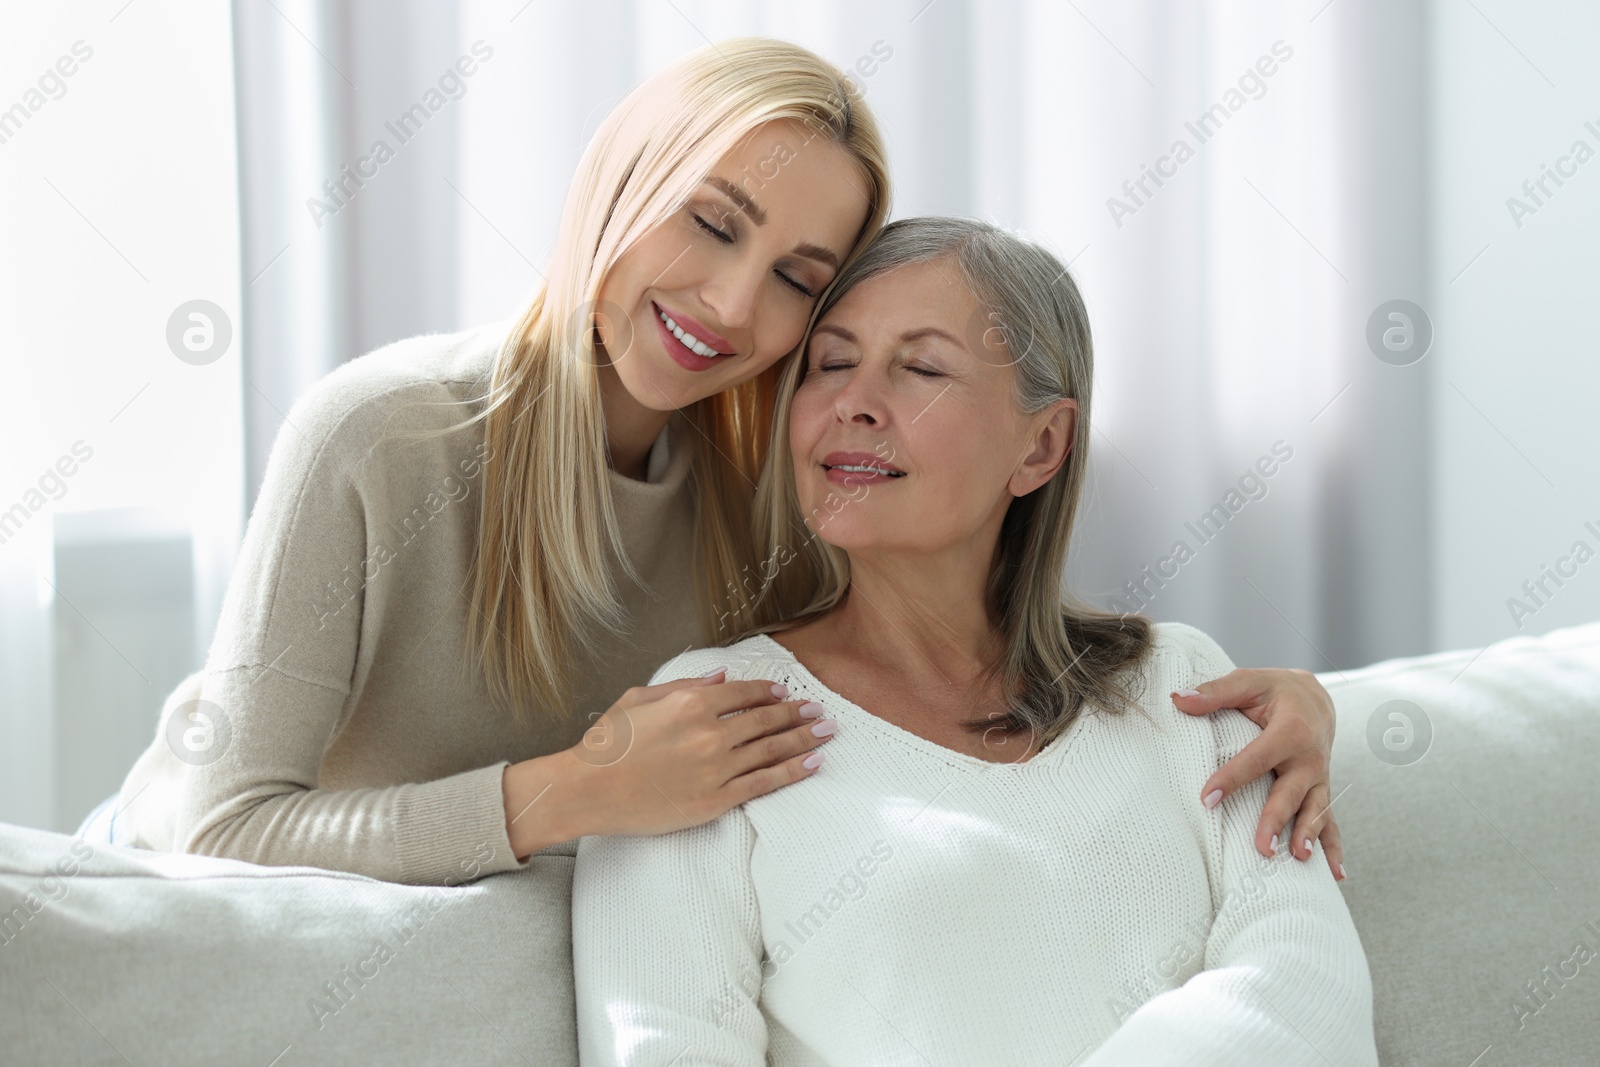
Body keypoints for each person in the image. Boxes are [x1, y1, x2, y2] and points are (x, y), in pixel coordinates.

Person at [111, 38, 1344, 888]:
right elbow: (219, 828)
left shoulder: (761, 490)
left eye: (798, 281)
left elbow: (936, 639)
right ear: (622, 177)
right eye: (711, 222)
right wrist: (574, 790)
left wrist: (1270, 699)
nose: (730, 301)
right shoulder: (379, 435)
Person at [571, 217, 1378, 1065]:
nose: (855, 400)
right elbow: (662, 1042)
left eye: (920, 368)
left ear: (1040, 446)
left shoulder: (1186, 687)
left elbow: (1308, 999)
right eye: (832, 363)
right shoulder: (708, 719)